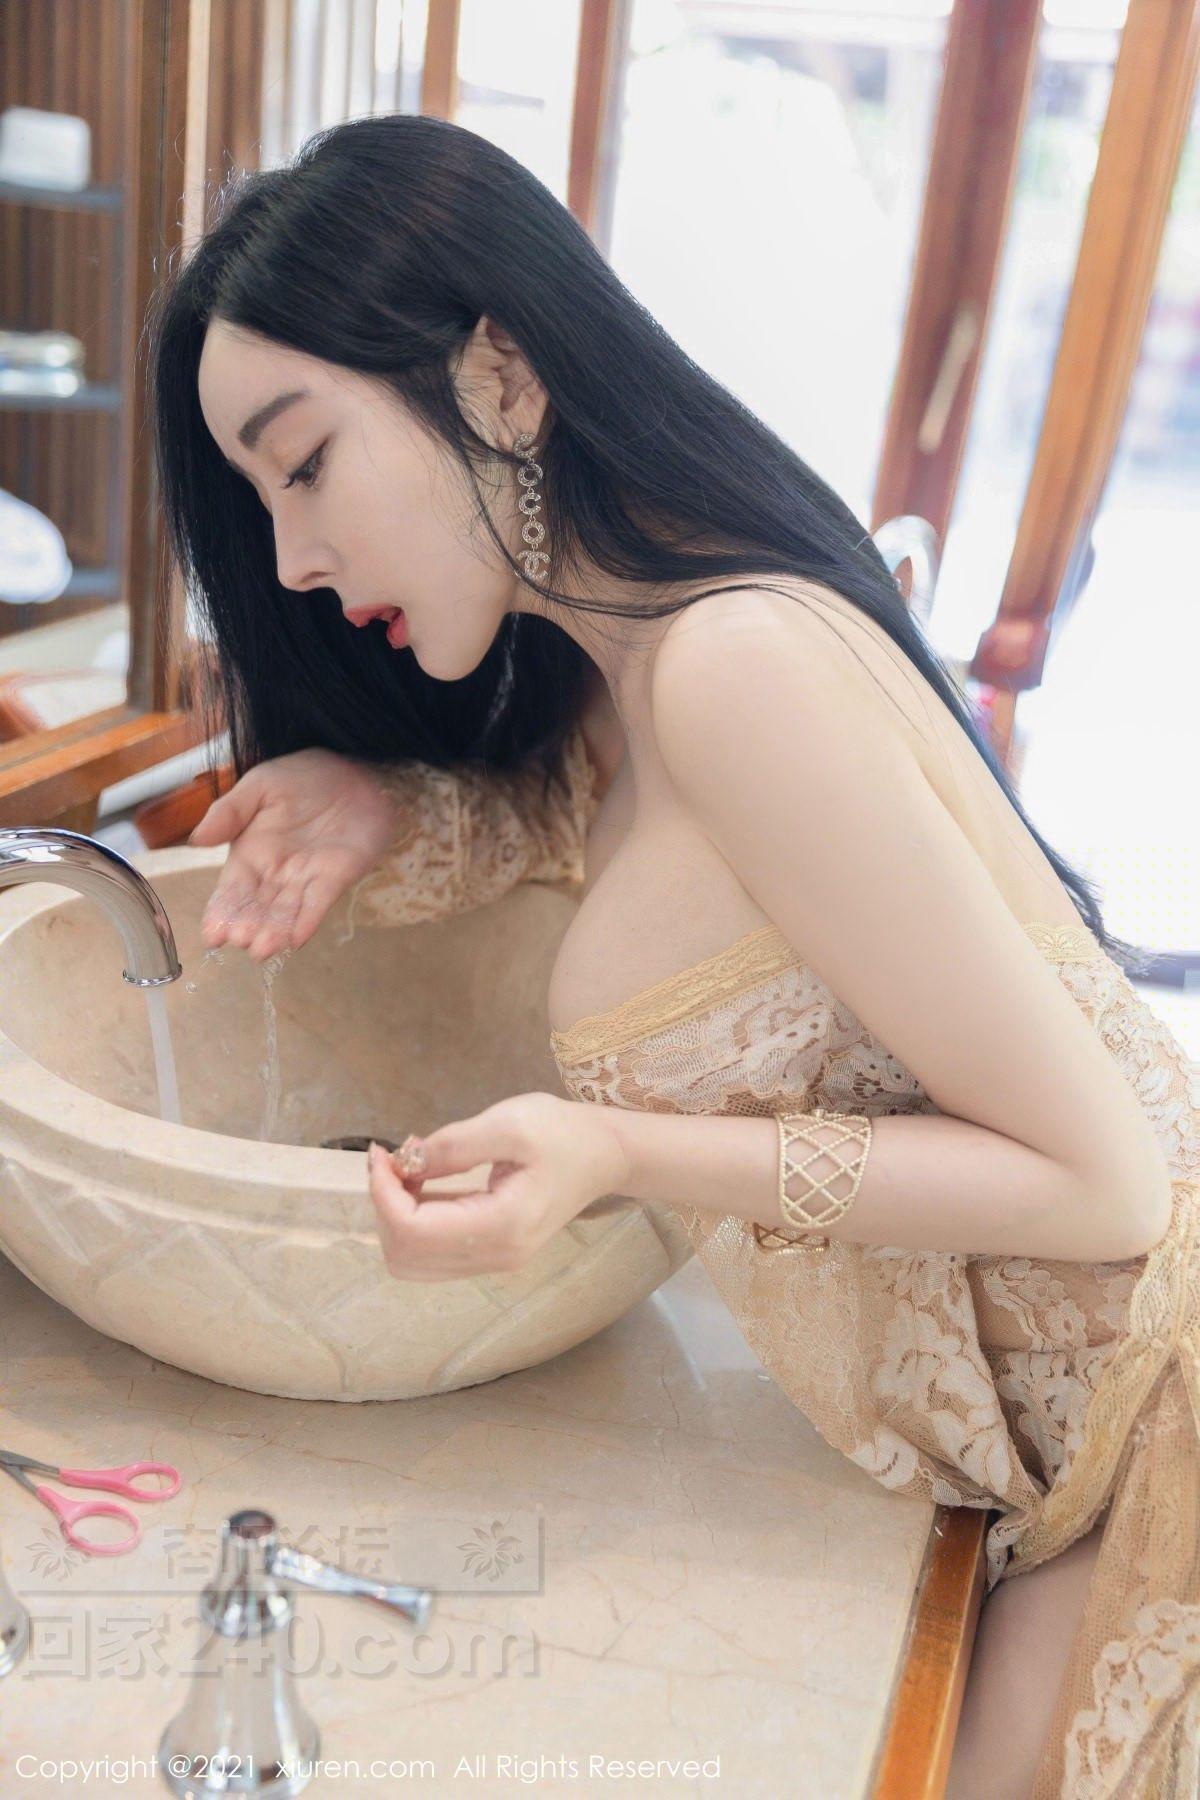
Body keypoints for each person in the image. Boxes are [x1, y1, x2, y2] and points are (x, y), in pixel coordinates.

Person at [150, 111, 1199, 1798]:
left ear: (501, 376)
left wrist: (622, 1151)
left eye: (308, 463)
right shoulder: (627, 672)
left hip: (1151, 1458)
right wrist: (385, 801)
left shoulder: (733, 664)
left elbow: (1104, 1184)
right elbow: (613, 850)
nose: (290, 559)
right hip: (1051, 1473)